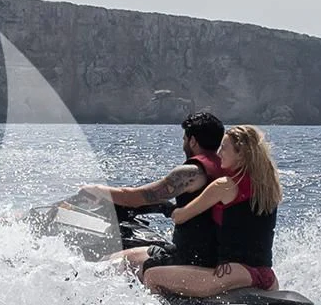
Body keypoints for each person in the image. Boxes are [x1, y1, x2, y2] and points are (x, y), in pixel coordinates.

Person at [139, 124, 283, 299]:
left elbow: (181, 216)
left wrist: (166, 208)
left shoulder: (225, 185)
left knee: (152, 276)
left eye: (224, 147)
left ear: (241, 154)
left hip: (234, 272)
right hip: (267, 275)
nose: (219, 152)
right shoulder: (269, 187)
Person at [77, 111, 227, 276]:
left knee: (108, 263)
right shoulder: (226, 169)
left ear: (192, 141)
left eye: (184, 139)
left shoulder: (191, 172)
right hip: (215, 256)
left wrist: (97, 190)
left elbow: (135, 197)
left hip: (189, 258)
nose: (183, 144)